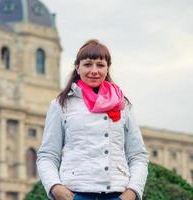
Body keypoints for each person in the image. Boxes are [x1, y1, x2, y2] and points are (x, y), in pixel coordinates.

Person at [36, 39, 148, 200]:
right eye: (88, 64)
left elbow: (138, 156)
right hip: (76, 193)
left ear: (107, 68)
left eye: (100, 65)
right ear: (77, 67)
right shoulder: (61, 104)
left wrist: (131, 193)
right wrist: (55, 187)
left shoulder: (123, 105)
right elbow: (47, 155)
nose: (94, 71)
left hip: (116, 194)